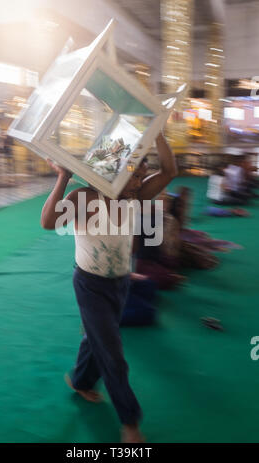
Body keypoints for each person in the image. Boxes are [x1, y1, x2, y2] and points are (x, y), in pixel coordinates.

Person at [40, 133, 177, 443]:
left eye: (143, 174)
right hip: (90, 284)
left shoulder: (134, 196)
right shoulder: (85, 198)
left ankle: (81, 381)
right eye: (135, 174)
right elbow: (48, 222)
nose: (140, 180)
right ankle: (130, 423)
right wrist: (63, 177)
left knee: (97, 337)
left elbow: (169, 172)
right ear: (113, 169)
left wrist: (158, 135)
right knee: (112, 353)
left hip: (120, 281)